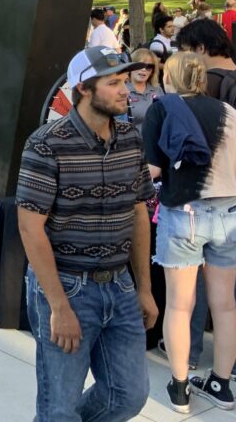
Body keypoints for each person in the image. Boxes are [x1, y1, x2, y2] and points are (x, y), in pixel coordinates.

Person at [17, 46, 157, 422]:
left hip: (121, 287)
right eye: (114, 83)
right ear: (83, 89)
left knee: (129, 395)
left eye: (125, 80)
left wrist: (143, 287)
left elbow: (139, 211)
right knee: (59, 407)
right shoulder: (46, 144)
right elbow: (30, 229)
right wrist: (59, 307)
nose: (126, 89)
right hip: (67, 287)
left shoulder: (130, 139)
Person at [142, 52, 236, 412]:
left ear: (170, 78)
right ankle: (221, 384)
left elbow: (152, 170)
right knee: (226, 304)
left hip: (184, 212)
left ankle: (180, 386)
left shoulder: (162, 109)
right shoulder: (231, 114)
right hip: (229, 212)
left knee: (180, 306)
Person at [126, 47, 164, 131]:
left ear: (153, 71)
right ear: (130, 66)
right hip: (133, 141)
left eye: (149, 67)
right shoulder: (123, 91)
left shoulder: (158, 90)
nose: (143, 70)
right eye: (139, 65)